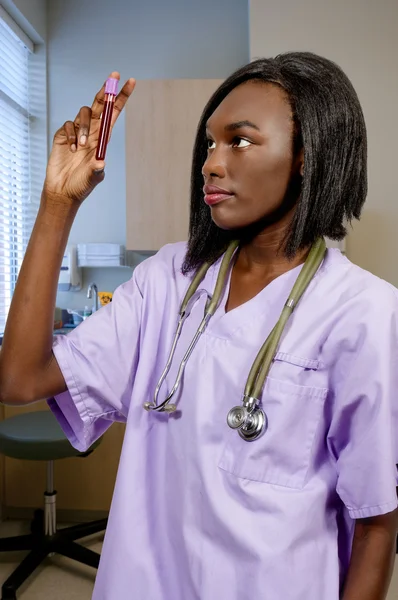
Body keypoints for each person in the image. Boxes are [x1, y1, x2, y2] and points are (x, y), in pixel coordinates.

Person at [0, 52, 397, 600]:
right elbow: (20, 379)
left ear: (308, 155)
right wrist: (56, 204)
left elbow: (376, 523)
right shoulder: (167, 280)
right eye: (210, 143)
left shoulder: (363, 311)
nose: (211, 163)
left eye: (240, 140)